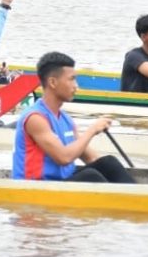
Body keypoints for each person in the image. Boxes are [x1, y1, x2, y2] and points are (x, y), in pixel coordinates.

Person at [13, 52, 134, 183]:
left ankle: (135, 194)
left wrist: (111, 169)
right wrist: (92, 130)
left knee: (108, 163)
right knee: (90, 176)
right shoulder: (35, 118)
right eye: (71, 79)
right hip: (36, 187)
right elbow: (63, 158)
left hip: (60, 184)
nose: (76, 86)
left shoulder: (66, 119)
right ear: (52, 82)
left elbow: (91, 158)